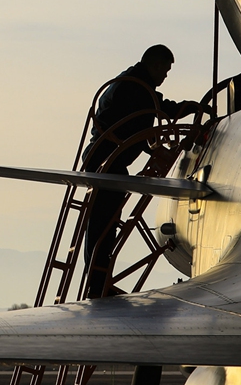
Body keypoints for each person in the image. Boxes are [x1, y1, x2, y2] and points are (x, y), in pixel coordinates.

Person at [81, 44, 196, 298]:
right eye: (164, 71)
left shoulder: (132, 83)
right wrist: (191, 110)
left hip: (105, 161)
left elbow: (155, 110)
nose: (165, 76)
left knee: (103, 224)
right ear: (155, 65)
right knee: (103, 226)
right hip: (107, 164)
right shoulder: (136, 88)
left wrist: (189, 107)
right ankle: (97, 286)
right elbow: (150, 116)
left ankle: (97, 282)